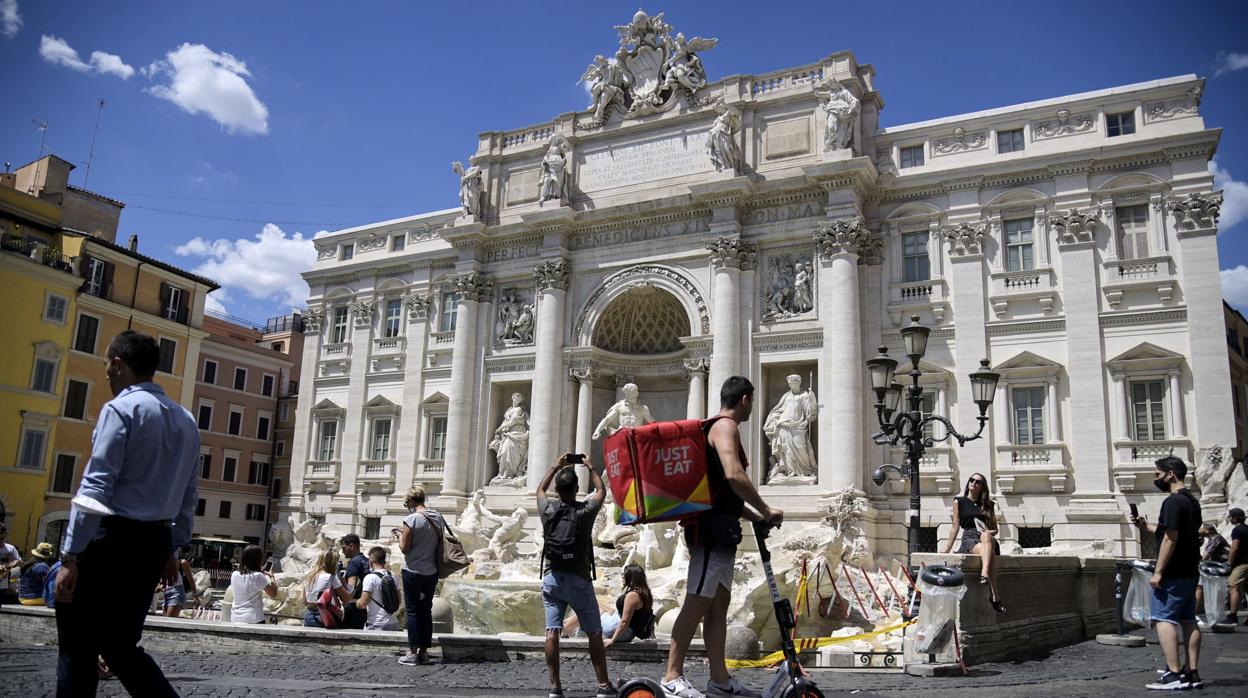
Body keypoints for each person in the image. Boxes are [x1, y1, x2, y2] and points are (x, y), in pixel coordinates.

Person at [54, 330, 200, 697]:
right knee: (121, 647)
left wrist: (71, 555)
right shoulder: (186, 421)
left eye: (107, 366)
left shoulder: (121, 409)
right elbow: (188, 496)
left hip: (108, 540)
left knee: (77, 646)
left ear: (118, 364)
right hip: (153, 543)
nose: (106, 374)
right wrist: (173, 551)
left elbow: (96, 486)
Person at [662, 376, 783, 698]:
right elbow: (734, 475)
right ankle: (672, 676)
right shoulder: (724, 427)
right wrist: (766, 508)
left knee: (718, 607)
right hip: (711, 532)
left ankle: (719, 680)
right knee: (696, 602)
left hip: (722, 527)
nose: (752, 407)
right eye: (752, 401)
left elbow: (719, 491)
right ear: (745, 398)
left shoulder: (716, 428)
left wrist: (754, 516)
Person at [537, 455, 616, 698]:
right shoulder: (584, 511)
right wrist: (591, 466)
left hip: (552, 578)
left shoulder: (547, 510)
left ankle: (554, 687)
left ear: (558, 490)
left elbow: (540, 489)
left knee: (552, 631)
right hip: (579, 578)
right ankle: (603, 686)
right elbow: (601, 491)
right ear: (577, 489)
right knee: (593, 632)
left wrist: (555, 465)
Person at [1131, 456, 1203, 690]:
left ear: (1170, 474)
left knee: (1163, 619)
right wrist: (1145, 526)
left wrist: (1158, 571)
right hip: (1191, 570)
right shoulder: (1192, 501)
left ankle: (1173, 674)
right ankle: (1192, 672)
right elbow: (1168, 532)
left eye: (1158, 474)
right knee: (1189, 620)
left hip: (1173, 571)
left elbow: (1170, 539)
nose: (1156, 478)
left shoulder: (1172, 503)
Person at [943, 472, 1005, 613]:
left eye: (978, 482)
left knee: (986, 538)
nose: (973, 483)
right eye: (971, 480)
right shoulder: (959, 501)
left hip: (986, 537)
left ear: (982, 487)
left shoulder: (989, 505)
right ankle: (994, 594)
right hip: (970, 538)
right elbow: (955, 526)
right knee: (988, 553)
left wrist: (988, 532)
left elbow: (995, 529)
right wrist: (947, 548)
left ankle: (984, 573)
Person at [398, 485, 443, 665]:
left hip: (412, 571)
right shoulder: (437, 517)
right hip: (431, 571)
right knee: (426, 610)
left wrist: (399, 536)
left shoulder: (411, 519)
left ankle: (412, 652)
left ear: (410, 501)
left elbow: (404, 548)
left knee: (413, 611)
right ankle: (424, 652)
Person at [563, 564, 655, 646]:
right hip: (625, 630)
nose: (622, 578)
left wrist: (613, 640)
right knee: (595, 603)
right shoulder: (644, 594)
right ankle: (565, 625)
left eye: (624, 575)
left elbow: (624, 622)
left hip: (617, 629)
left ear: (631, 577)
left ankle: (563, 630)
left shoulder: (632, 596)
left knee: (588, 610)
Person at [230, 544, 276, 624]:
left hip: (236, 618)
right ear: (258, 559)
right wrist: (272, 578)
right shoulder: (258, 576)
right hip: (253, 618)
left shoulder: (234, 574)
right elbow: (273, 594)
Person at [303, 549, 351, 627]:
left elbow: (305, 602)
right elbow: (346, 599)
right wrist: (345, 584)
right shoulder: (331, 577)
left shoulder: (309, 576)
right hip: (324, 615)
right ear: (334, 563)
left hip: (309, 615)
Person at [356, 546, 400, 631]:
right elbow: (398, 601)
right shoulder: (393, 576)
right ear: (384, 560)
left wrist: (356, 602)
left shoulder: (370, 578)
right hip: (393, 623)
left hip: (377, 624)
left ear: (370, 561)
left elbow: (363, 604)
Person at [339, 534, 369, 630]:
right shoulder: (367, 561)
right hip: (365, 606)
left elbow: (351, 587)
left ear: (351, 546)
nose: (343, 552)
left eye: (344, 548)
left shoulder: (353, 563)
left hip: (353, 607)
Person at [1227, 507, 1248, 625]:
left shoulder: (1237, 530)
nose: (1229, 519)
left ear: (1235, 519)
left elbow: (1235, 548)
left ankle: (1232, 616)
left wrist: (1230, 562)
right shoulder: (1246, 529)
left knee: (1233, 586)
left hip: (1242, 564)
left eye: (1230, 517)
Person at [0, 524, 20, 604]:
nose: (1, 541)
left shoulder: (10, 548)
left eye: (2, 538)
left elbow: (19, 561)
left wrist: (16, 562)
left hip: (3, 582)